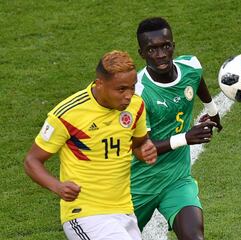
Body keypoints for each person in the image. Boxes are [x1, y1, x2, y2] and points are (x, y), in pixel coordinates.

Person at [24, 50, 157, 240]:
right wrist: (57, 186)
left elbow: (137, 145)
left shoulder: (136, 106)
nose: (128, 95)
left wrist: (145, 149)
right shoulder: (68, 113)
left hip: (124, 210)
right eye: (121, 89)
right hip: (85, 213)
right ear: (100, 84)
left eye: (132, 87)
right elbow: (32, 160)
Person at [131, 17, 223, 240]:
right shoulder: (139, 93)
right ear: (142, 53)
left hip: (176, 180)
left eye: (166, 46)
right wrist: (186, 138)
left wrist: (213, 111)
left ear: (173, 45)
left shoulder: (190, 66)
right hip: (138, 184)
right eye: (152, 49)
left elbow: (197, 80)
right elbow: (145, 149)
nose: (161, 54)